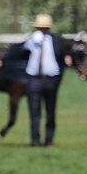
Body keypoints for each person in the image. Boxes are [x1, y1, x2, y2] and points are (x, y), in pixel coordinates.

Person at [21, 14, 71, 146]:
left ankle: (49, 140)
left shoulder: (56, 40)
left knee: (50, 112)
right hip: (34, 79)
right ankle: (35, 140)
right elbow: (19, 53)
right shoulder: (31, 40)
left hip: (51, 80)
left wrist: (67, 58)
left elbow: (64, 53)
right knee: (34, 112)